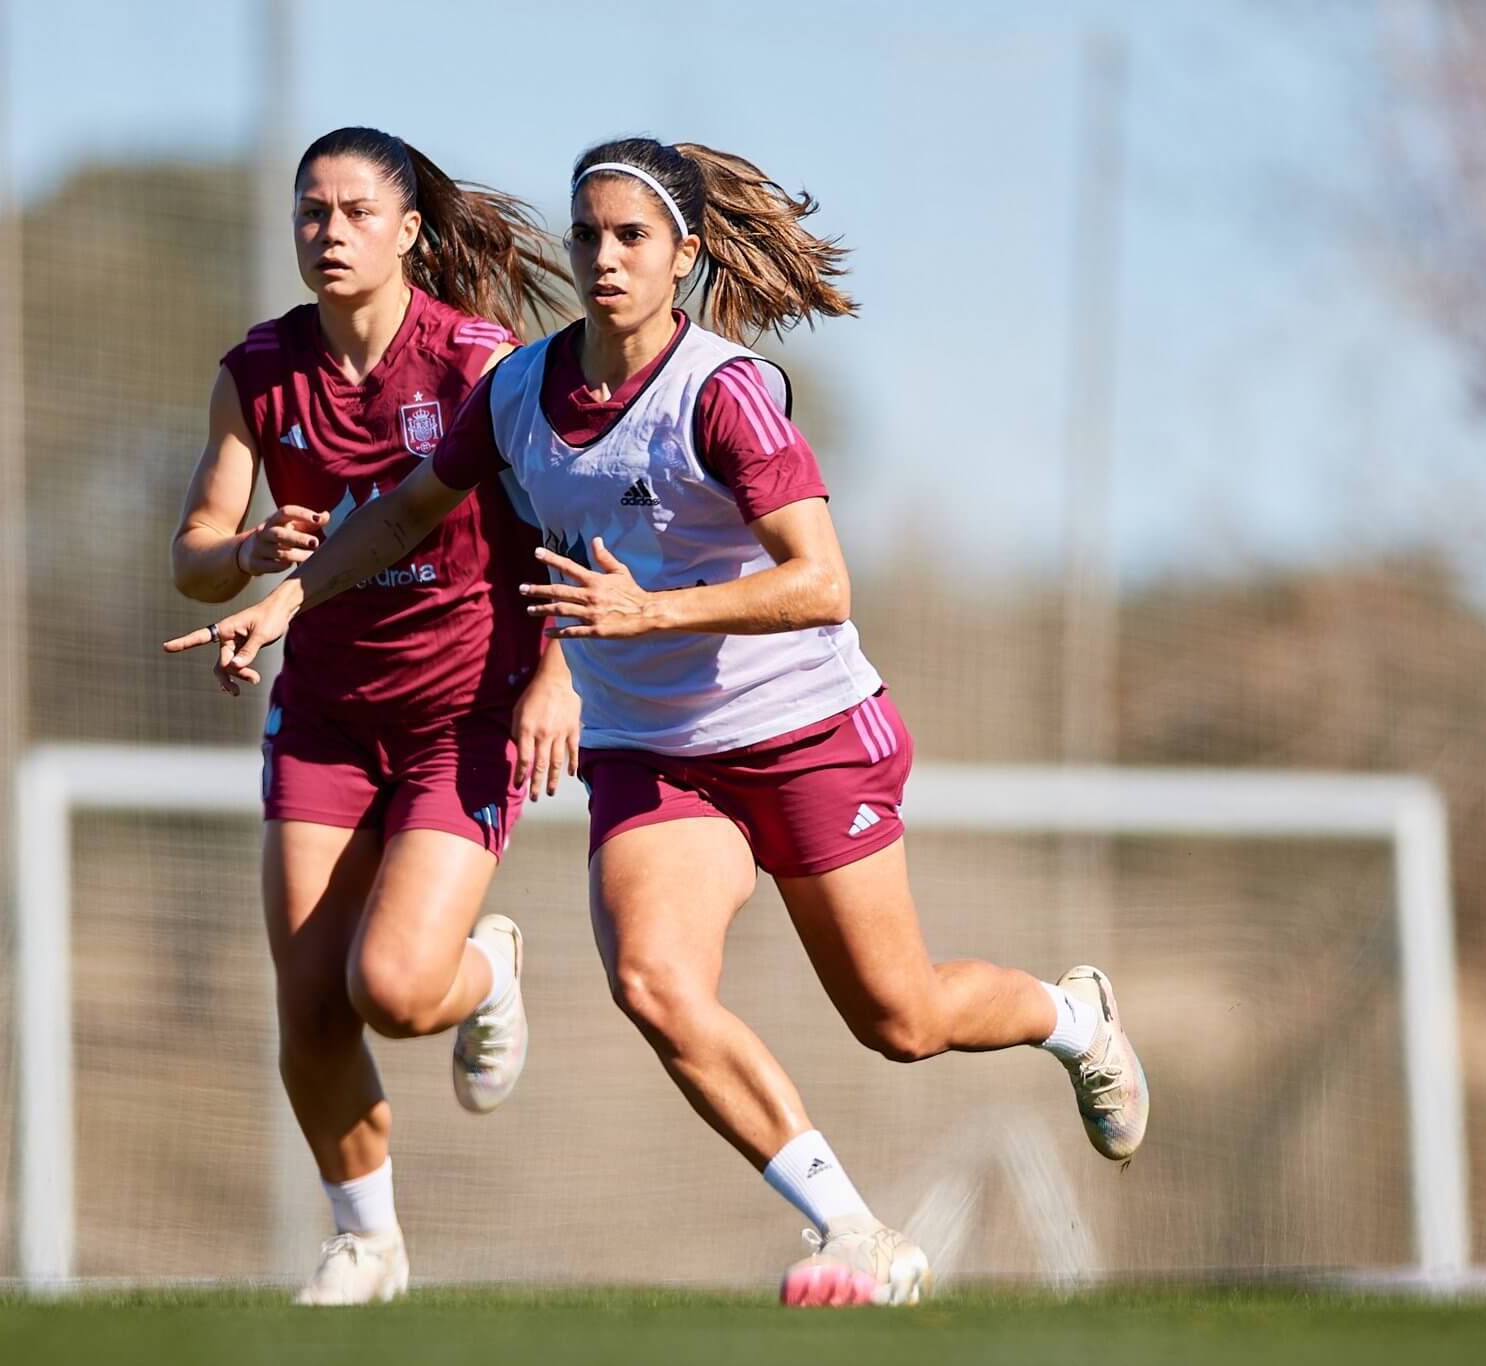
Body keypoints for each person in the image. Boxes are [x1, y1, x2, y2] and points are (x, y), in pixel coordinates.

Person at [167, 135, 1148, 1308]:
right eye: (586, 234)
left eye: (630, 236)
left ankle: (1068, 1015)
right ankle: (854, 1231)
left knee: (901, 1015)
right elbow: (399, 518)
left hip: (802, 731)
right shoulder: (520, 389)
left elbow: (821, 582)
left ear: (683, 254)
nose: (601, 256)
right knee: (652, 982)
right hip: (654, 753)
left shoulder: (720, 393)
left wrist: (649, 611)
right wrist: (281, 595)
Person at [166, 126, 578, 1306]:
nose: (329, 232)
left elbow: (570, 529)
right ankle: (367, 1244)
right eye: (310, 212)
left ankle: (487, 972)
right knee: (308, 1011)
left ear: (406, 233)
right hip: (327, 721)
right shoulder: (256, 373)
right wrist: (248, 551)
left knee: (393, 990)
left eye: (355, 212)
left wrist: (557, 674)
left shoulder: (479, 366)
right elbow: (193, 558)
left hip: (462, 716)